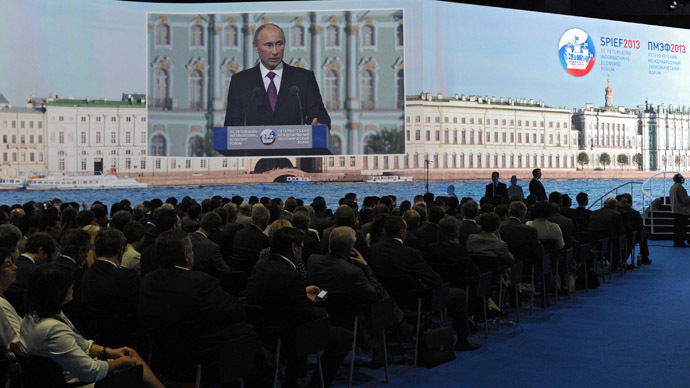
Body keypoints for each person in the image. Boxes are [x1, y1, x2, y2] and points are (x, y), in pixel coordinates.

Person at [140, 229, 274, 387]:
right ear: (186, 255)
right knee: (262, 355)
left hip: (163, 358)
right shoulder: (200, 283)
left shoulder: (147, 281)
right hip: (199, 359)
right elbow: (235, 311)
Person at [18, 264, 164, 388]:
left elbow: (81, 344)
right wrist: (119, 362)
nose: (73, 286)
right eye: (69, 284)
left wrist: (111, 352)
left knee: (129, 354)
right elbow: (90, 372)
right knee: (133, 363)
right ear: (57, 291)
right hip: (81, 382)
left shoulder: (32, 316)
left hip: (72, 374)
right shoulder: (51, 329)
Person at [247, 227, 351, 388]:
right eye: (301, 247)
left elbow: (276, 294)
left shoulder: (261, 264)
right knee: (344, 337)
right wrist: (319, 308)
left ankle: (293, 380)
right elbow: (306, 315)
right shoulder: (291, 275)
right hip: (284, 332)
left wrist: (302, 293)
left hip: (262, 328)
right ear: (294, 248)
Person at [224, 23, 330, 128]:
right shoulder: (240, 81)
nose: (275, 51)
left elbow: (321, 118)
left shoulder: (304, 78)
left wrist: (319, 126)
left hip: (294, 145)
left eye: (279, 44)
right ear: (256, 47)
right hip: (253, 145)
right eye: (268, 45)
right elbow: (231, 124)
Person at [669, 173, 690, 247]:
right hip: (682, 211)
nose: (683, 179)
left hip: (675, 210)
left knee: (677, 227)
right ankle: (681, 242)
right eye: (682, 178)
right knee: (682, 228)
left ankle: (677, 241)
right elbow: (684, 200)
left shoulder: (672, 187)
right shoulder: (680, 188)